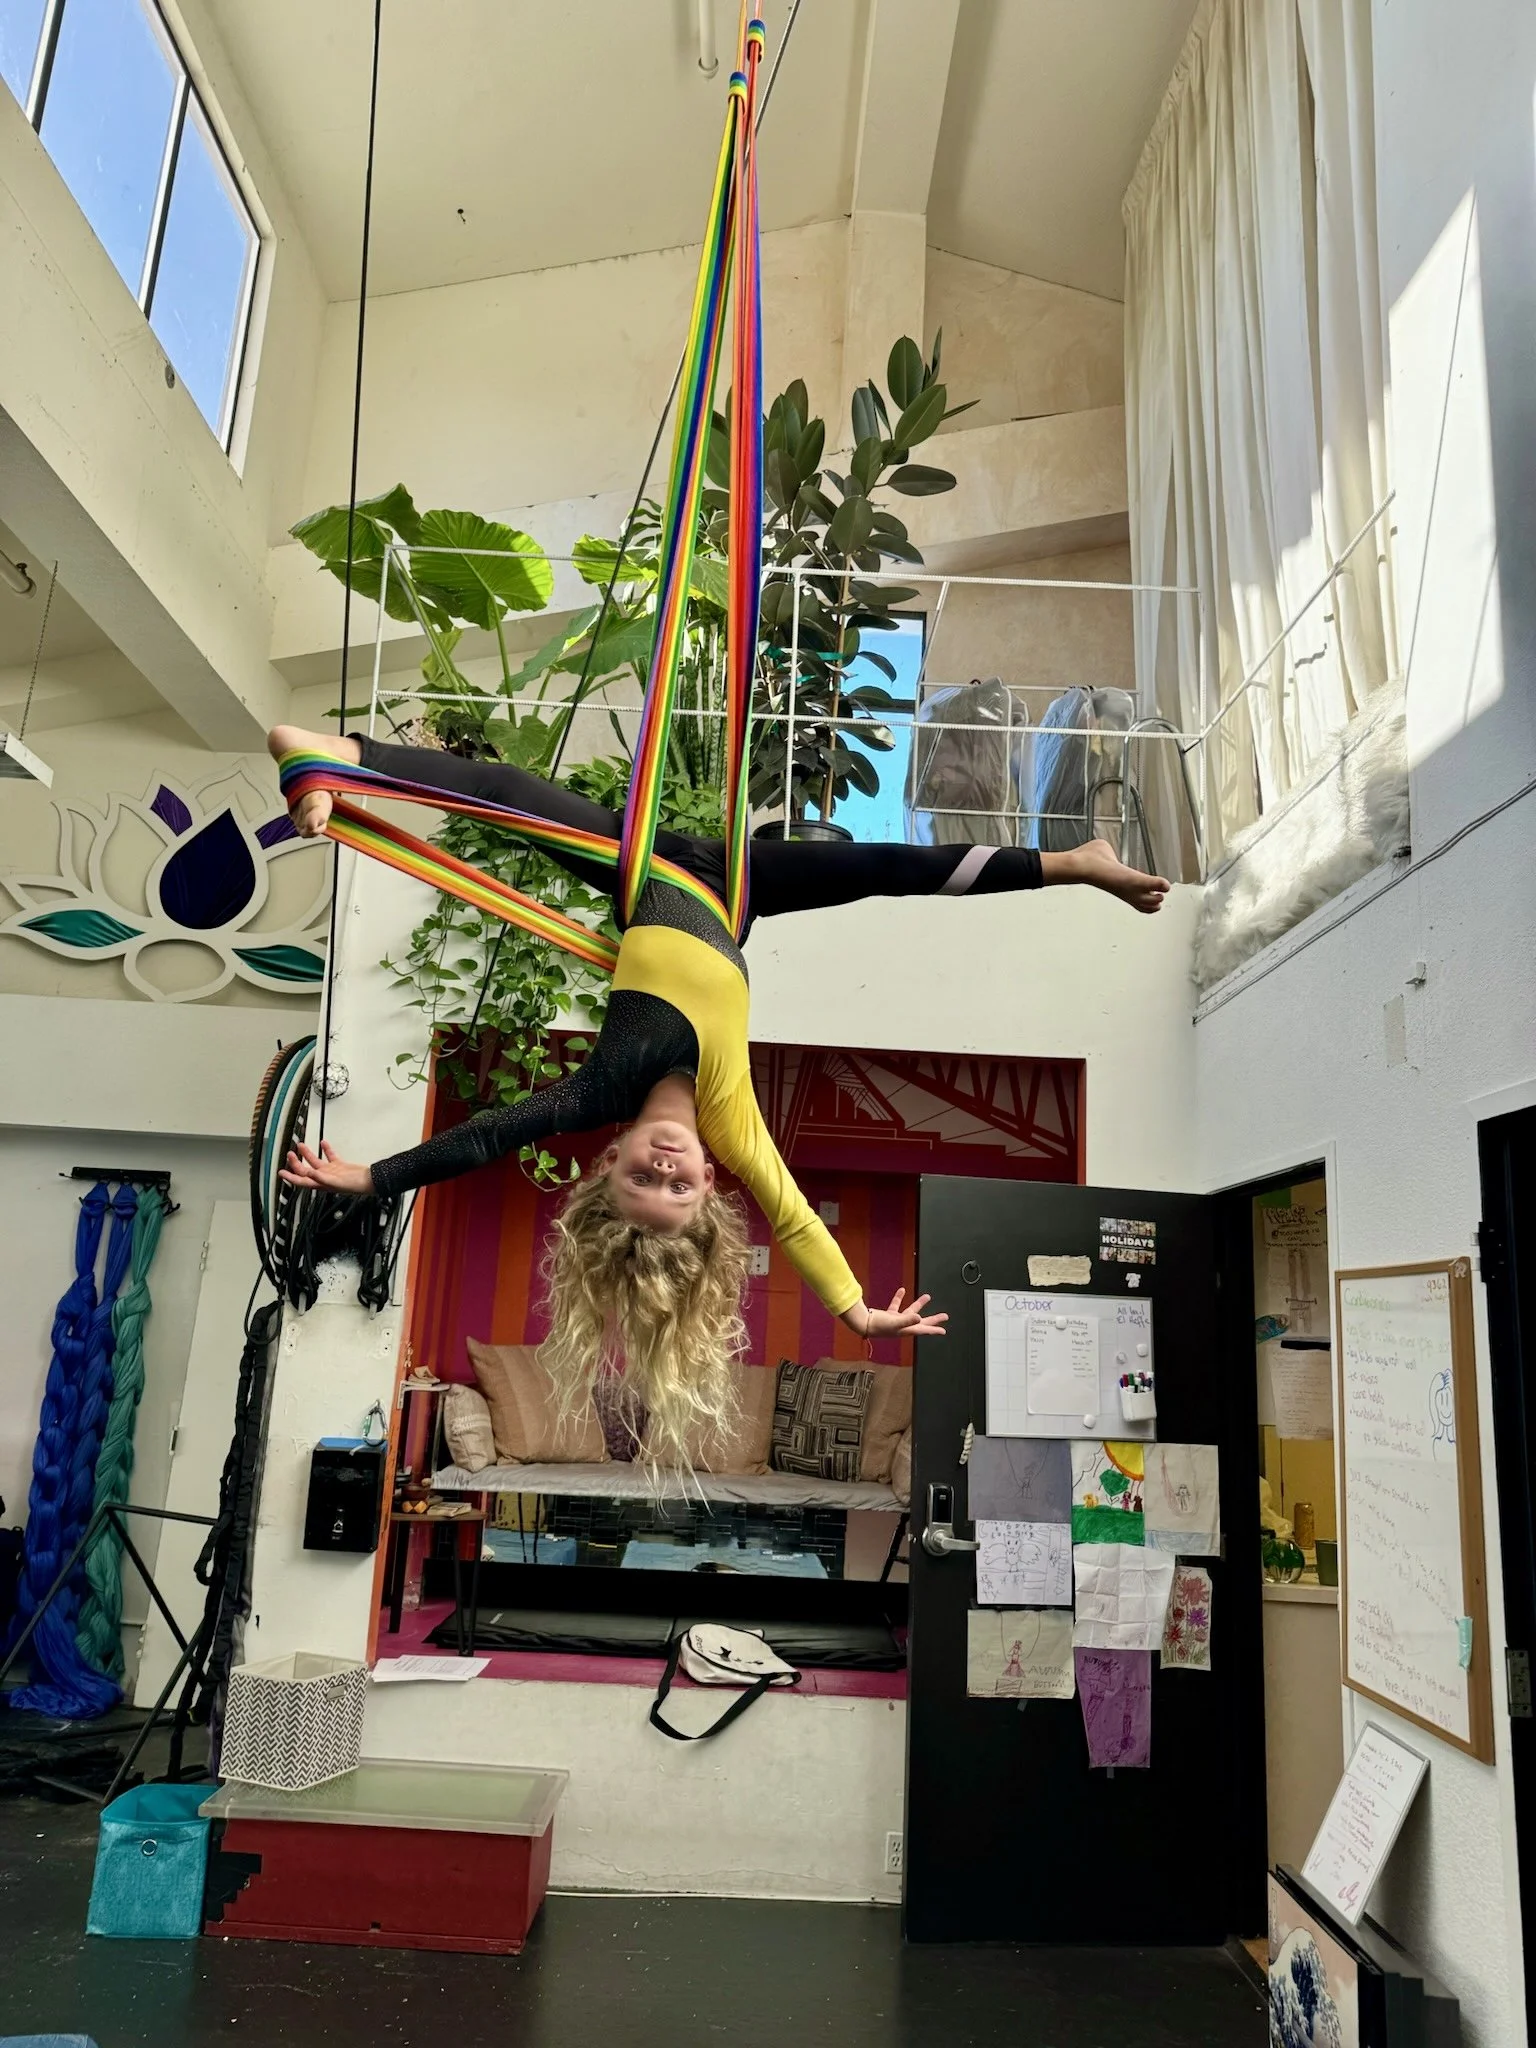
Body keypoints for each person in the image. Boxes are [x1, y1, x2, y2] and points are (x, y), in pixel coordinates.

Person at [271, 725, 1169, 1462]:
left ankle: (338, 761)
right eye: (681, 1187)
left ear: (608, 1165)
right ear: (707, 1181)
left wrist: (370, 1179)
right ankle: (1076, 863)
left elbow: (487, 1136)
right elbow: (794, 1218)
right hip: (741, 887)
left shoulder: (598, 1091)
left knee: (507, 792)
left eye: (641, 1182)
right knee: (899, 870)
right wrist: (854, 1310)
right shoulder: (735, 1125)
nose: (665, 1170)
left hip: (645, 871)